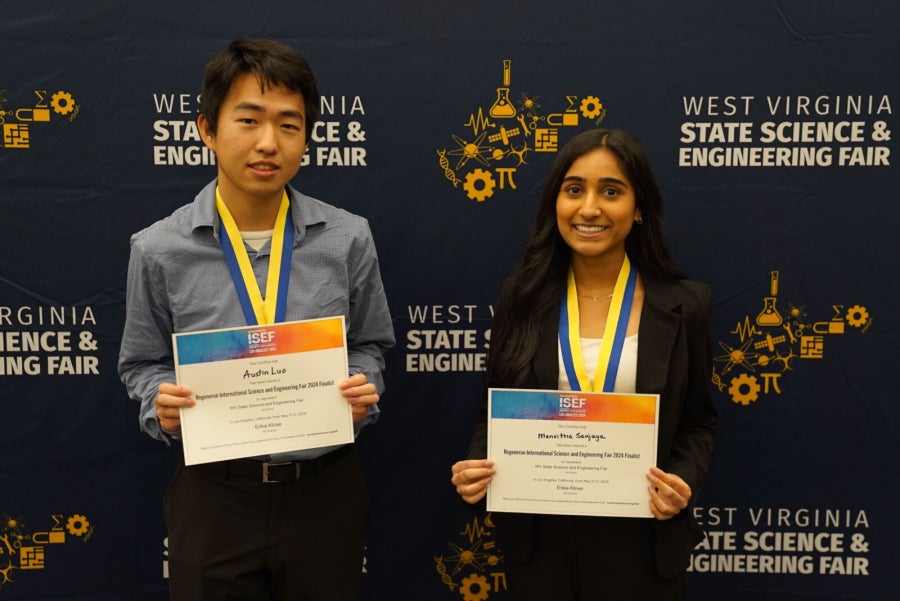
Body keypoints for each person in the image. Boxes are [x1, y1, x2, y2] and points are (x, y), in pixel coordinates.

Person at [118, 38, 395, 600]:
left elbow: (370, 344)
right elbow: (142, 361)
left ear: (307, 138)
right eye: (249, 120)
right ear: (207, 129)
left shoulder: (348, 238)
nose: (269, 143)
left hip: (325, 489)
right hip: (215, 494)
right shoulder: (158, 248)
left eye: (289, 125)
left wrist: (365, 387)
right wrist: (159, 404)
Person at [450, 129, 716, 600]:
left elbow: (698, 422)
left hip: (644, 543)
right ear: (556, 203)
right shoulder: (522, 296)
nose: (589, 208)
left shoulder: (684, 304)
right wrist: (476, 467)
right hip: (541, 543)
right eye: (574, 190)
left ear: (638, 210)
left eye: (610, 192)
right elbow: (494, 411)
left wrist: (683, 482)